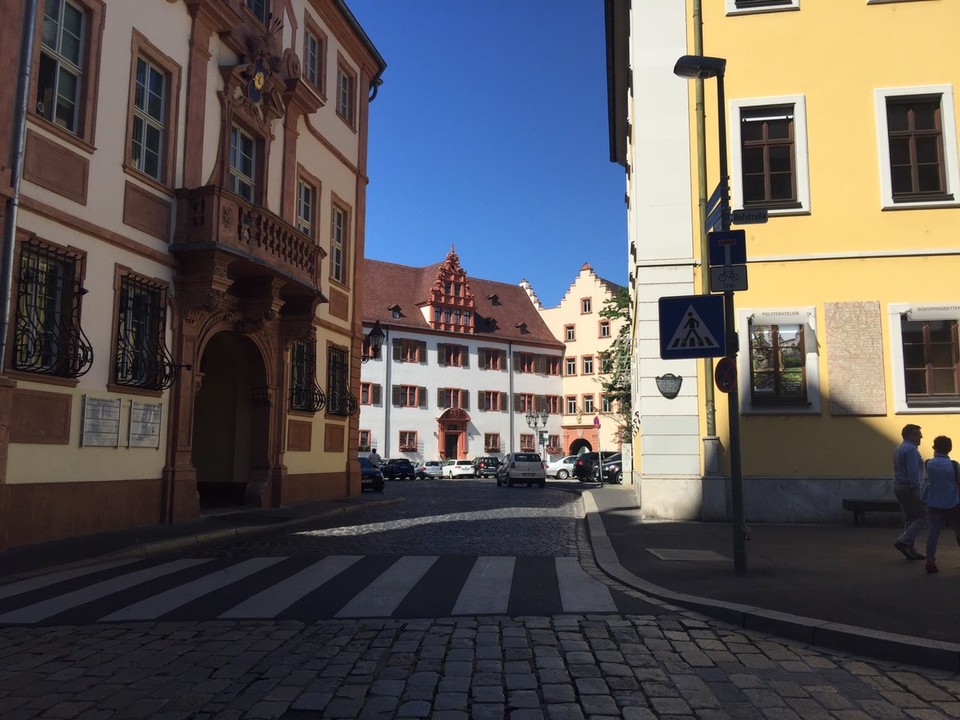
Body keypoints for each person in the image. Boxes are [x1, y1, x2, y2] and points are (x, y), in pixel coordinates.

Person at [922, 436, 960, 574]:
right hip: (953, 503)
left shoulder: (928, 464)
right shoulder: (955, 466)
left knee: (933, 532)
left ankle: (930, 559)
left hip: (933, 503)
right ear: (949, 449)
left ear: (934, 447)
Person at [893, 424, 927, 560]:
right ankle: (903, 541)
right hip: (909, 487)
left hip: (899, 486)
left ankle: (911, 550)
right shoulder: (911, 450)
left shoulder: (897, 449)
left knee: (910, 519)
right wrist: (917, 492)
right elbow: (913, 473)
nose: (921, 437)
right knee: (924, 518)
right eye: (918, 434)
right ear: (911, 435)